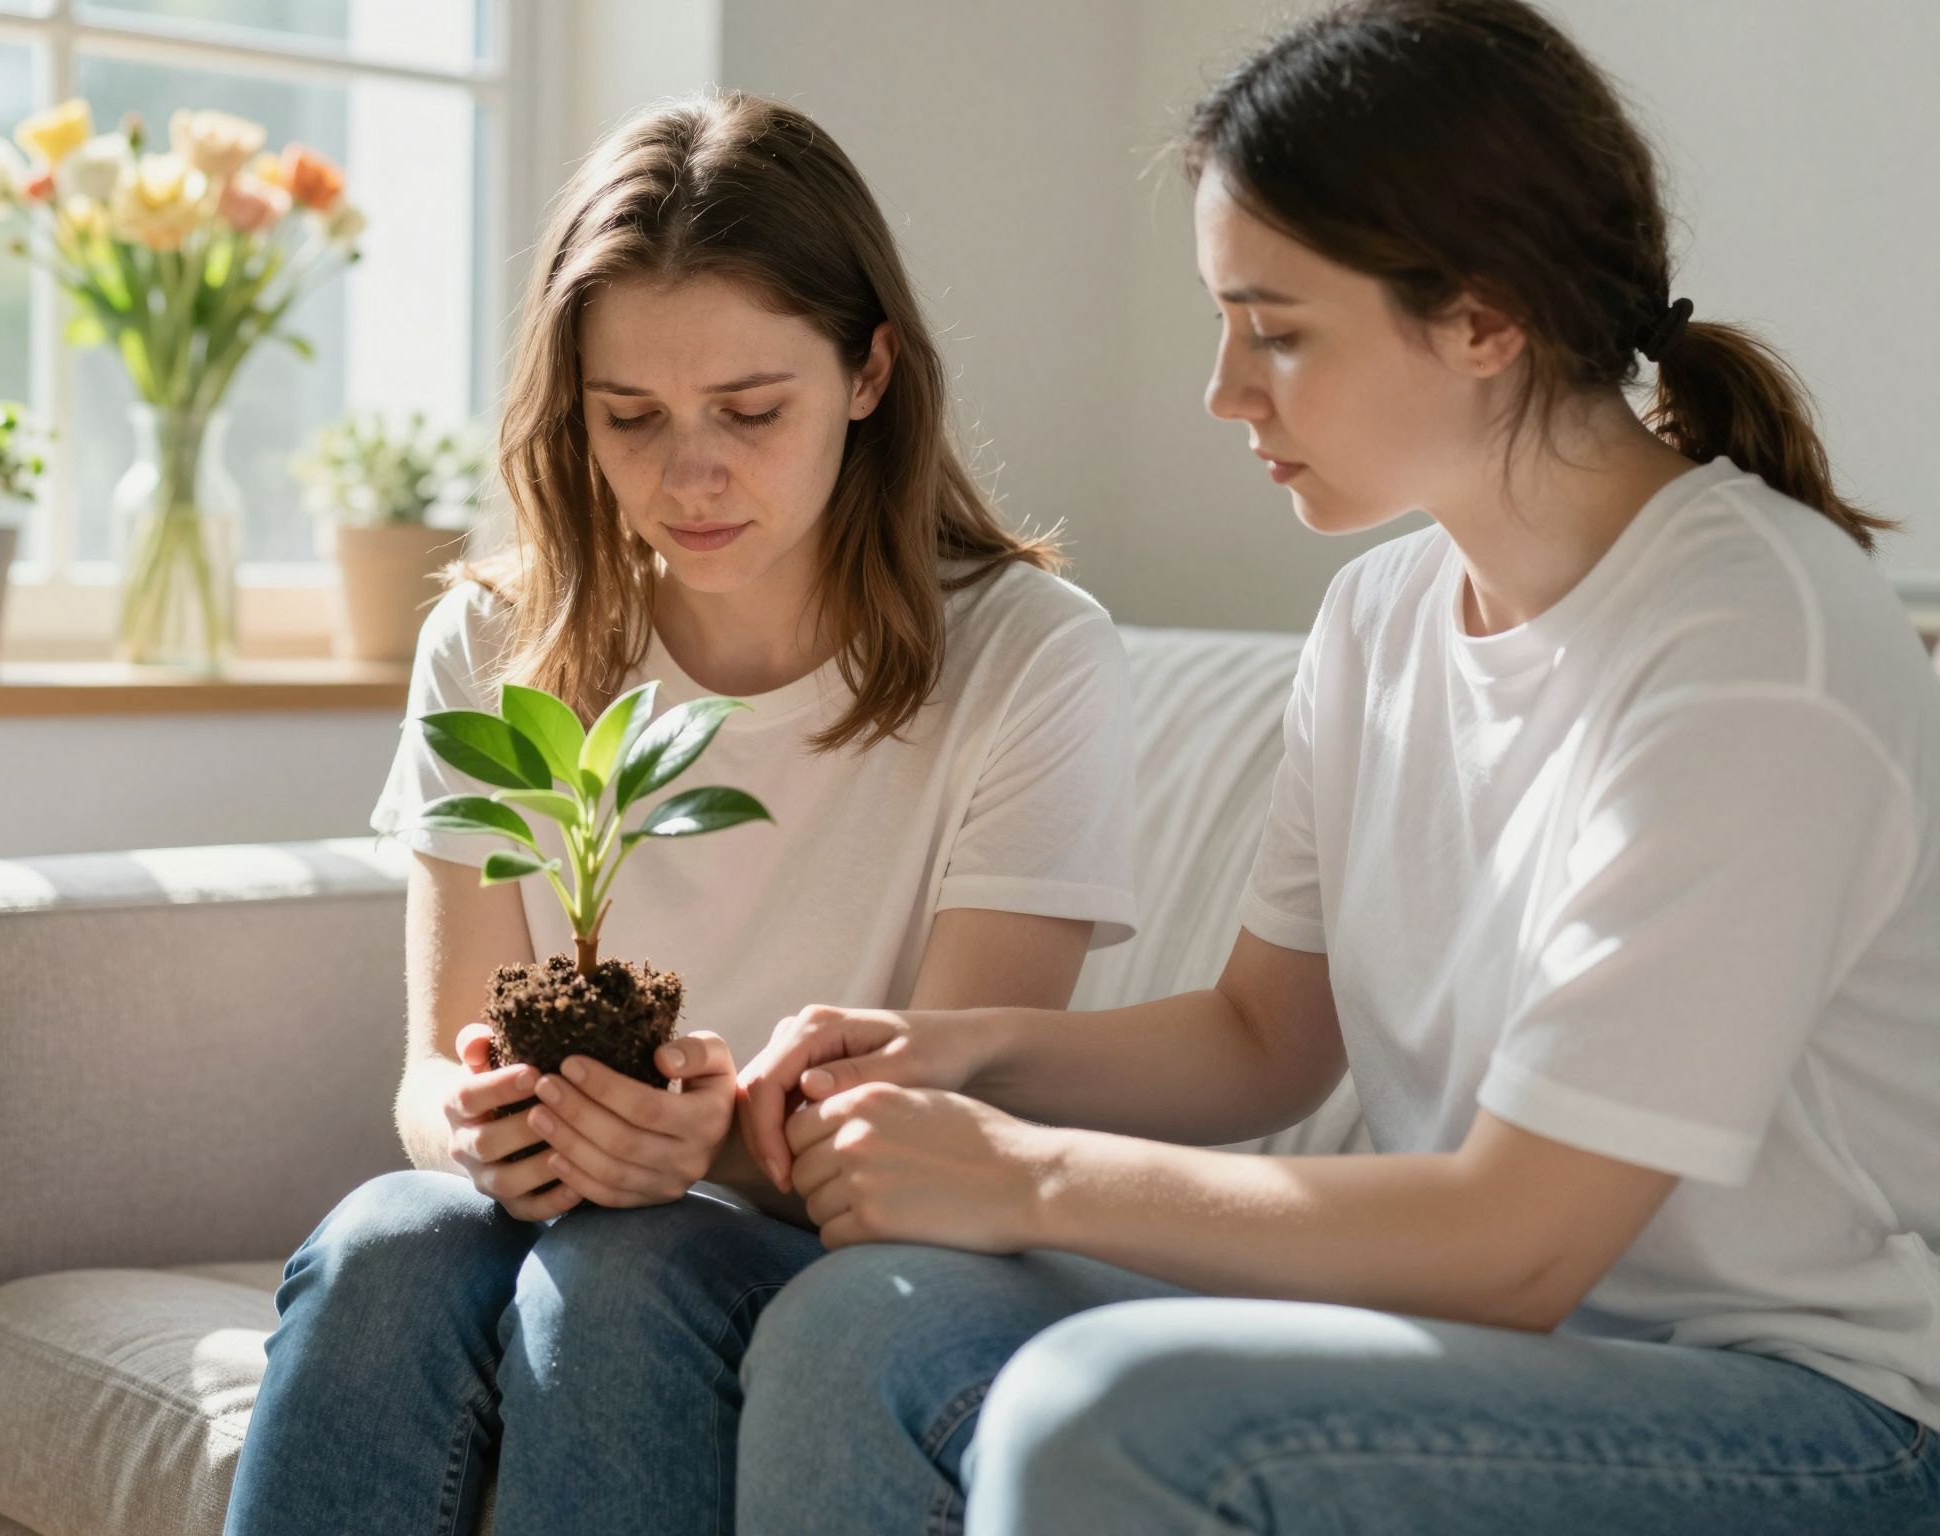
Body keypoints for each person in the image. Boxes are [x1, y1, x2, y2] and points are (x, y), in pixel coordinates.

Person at [724, 2, 1940, 1531]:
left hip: (1813, 1415)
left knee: (1119, 1416)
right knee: (870, 1321)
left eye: (1279, 330)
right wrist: (955, 1053)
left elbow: (1517, 1242)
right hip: (1497, 1354)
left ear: (1487, 318)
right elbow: (1261, 1040)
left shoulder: (1755, 650)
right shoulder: (1380, 618)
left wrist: (1023, 1176)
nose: (1226, 391)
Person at [220, 91, 1140, 1536]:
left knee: (633, 1265)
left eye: (749, 412)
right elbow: (425, 1076)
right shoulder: (495, 644)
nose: (687, 474)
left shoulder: (1030, 654)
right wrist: (483, 1134)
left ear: (869, 371)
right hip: (587, 1207)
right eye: (629, 418)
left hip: (848, 1244)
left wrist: (691, 1149)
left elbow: (953, 1122)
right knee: (388, 1237)